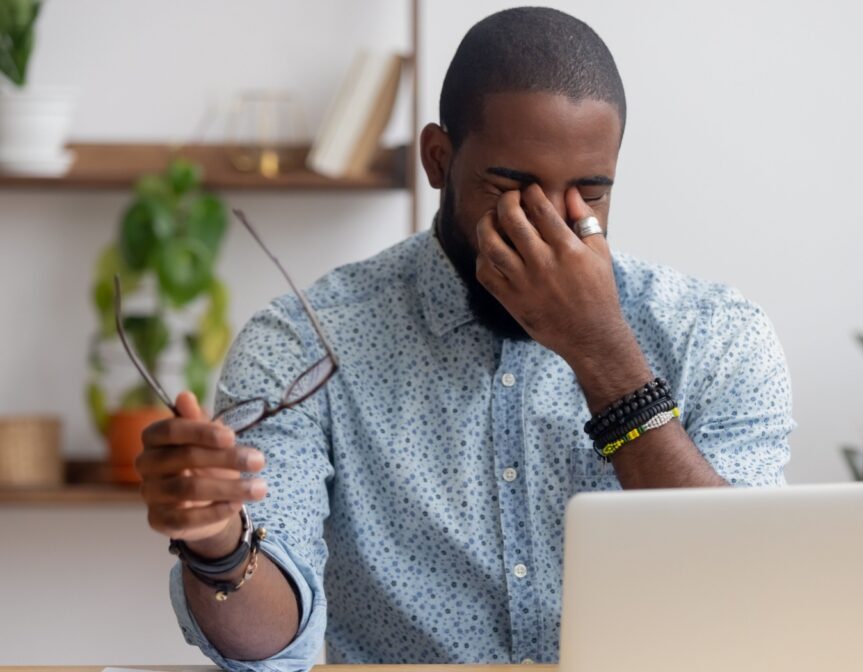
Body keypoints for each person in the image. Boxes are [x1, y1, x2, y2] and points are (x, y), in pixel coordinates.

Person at [137, 7, 795, 669]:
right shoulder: (302, 342)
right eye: (511, 187)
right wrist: (219, 546)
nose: (553, 227)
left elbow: (744, 600)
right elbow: (273, 652)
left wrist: (602, 352)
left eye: (589, 195)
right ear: (439, 159)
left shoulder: (717, 337)